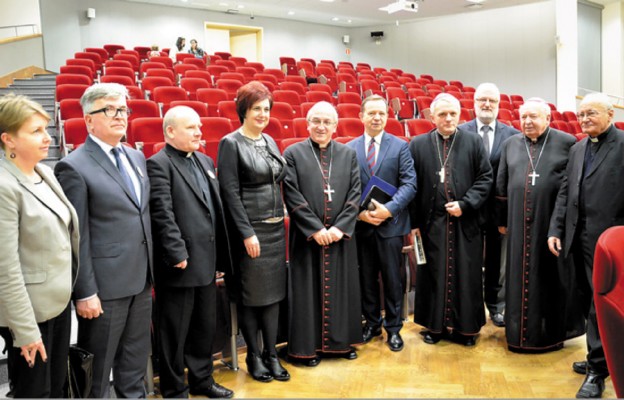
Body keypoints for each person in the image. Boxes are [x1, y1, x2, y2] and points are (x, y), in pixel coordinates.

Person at [55, 83, 153, 398]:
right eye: (108, 109)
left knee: (134, 365)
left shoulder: (136, 157)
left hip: (140, 280)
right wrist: (85, 292)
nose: (118, 116)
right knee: (97, 374)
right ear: (88, 119)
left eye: (122, 109)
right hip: (104, 290)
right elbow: (76, 236)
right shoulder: (73, 165)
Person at [147, 106, 234, 398]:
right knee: (174, 332)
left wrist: (221, 256)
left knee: (202, 327)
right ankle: (173, 388)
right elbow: (162, 213)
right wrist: (176, 253)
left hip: (207, 262)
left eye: (199, 127)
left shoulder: (205, 160)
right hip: (180, 264)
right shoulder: (158, 164)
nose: (199, 132)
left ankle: (202, 380)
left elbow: (214, 209)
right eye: (191, 128)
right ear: (170, 131)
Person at [0, 94, 79, 398]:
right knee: (35, 392)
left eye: (46, 129)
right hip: (29, 315)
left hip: (56, 305)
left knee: (56, 387)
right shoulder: (5, 187)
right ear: (8, 139)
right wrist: (26, 331)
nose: (48, 138)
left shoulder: (43, 172)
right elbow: (6, 268)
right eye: (35, 131)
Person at [548, 92, 624, 398]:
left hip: (608, 241)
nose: (584, 119)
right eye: (581, 114)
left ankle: (598, 371)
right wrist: (556, 227)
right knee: (582, 296)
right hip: (576, 237)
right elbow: (566, 191)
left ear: (610, 114)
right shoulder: (578, 148)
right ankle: (599, 356)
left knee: (599, 305)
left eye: (591, 113)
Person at [496, 98, 584, 353]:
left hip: (550, 225)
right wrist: (502, 221)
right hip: (516, 224)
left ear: (547, 118)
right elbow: (502, 186)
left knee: (549, 279)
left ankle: (549, 336)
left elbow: (573, 185)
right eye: (524, 117)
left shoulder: (567, 143)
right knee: (517, 278)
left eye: (534, 117)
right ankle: (516, 334)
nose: (528, 122)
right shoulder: (511, 144)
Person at [217, 81, 290, 383]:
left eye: (266, 109)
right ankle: (253, 356)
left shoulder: (269, 141)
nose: (262, 114)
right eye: (256, 109)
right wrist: (247, 233)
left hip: (274, 231)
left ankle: (271, 354)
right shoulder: (231, 143)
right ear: (243, 111)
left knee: (272, 297)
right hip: (250, 232)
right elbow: (230, 193)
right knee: (251, 298)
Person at [408, 93, 492, 346]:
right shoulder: (418, 144)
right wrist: (413, 224)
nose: (448, 118)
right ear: (432, 117)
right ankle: (435, 327)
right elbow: (411, 185)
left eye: (453, 114)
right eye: (442, 114)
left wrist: (465, 204)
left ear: (459, 115)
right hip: (431, 225)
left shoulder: (473, 142)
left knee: (467, 276)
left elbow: (485, 178)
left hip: (466, 224)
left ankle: (466, 330)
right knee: (433, 274)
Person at [283, 101, 362, 366]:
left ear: (335, 126)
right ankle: (306, 348)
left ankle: (340, 344)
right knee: (306, 292)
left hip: (340, 237)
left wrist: (340, 228)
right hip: (307, 238)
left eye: (327, 122)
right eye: (316, 121)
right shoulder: (293, 153)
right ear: (307, 124)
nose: (321, 126)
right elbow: (291, 194)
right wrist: (315, 229)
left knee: (342, 289)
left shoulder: (347, 154)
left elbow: (355, 194)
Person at [346, 95, 416, 352]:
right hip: (362, 226)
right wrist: (358, 215)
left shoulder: (400, 147)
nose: (377, 118)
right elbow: (346, 188)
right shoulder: (349, 148)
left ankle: (394, 328)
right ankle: (372, 323)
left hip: (391, 226)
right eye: (372, 113)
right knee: (366, 278)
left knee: (392, 279)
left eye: (382, 114)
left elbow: (410, 184)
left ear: (388, 117)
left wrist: (389, 210)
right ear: (361, 116)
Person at [459, 83, 519, 328]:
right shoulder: (460, 132)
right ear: (473, 102)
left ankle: (496, 306)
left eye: (492, 101)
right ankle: (470, 307)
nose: (486, 104)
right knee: (469, 260)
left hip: (498, 212)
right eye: (482, 99)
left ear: (498, 104)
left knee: (497, 262)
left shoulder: (512, 134)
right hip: (469, 208)